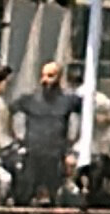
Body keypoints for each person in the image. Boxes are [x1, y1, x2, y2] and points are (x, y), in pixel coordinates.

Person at [11, 58, 80, 205]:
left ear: (59, 77)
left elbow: (86, 114)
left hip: (55, 154)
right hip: (33, 152)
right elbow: (8, 112)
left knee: (56, 195)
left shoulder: (68, 101)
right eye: (43, 75)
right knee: (24, 194)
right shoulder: (29, 100)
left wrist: (74, 142)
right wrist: (15, 137)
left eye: (50, 76)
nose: (45, 80)